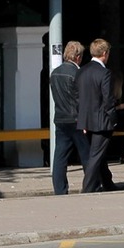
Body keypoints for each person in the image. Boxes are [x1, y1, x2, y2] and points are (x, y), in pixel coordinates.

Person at [77, 38, 118, 193]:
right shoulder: (104, 73)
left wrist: (82, 119)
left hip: (86, 121)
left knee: (98, 154)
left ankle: (107, 183)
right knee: (95, 156)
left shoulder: (81, 71)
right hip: (102, 120)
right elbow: (108, 99)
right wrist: (113, 118)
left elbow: (78, 97)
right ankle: (87, 187)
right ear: (105, 53)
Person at [49, 40, 90, 195]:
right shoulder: (78, 74)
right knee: (85, 154)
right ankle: (91, 184)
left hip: (60, 118)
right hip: (76, 119)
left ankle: (60, 189)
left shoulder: (55, 73)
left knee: (60, 156)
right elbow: (81, 100)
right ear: (78, 56)